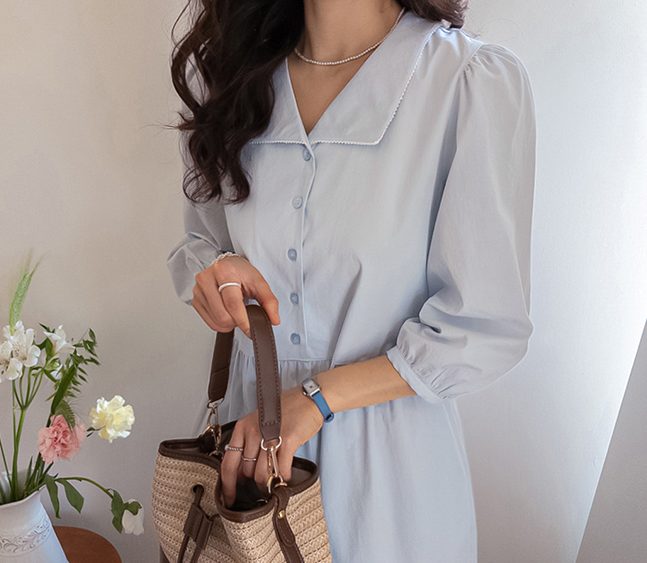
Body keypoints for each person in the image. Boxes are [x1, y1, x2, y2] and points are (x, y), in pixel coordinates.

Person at [165, 0, 536, 560]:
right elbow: (201, 244)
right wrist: (215, 277)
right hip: (249, 455)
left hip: (390, 471)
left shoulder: (466, 83)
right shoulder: (230, 75)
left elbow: (484, 325)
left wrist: (317, 398)